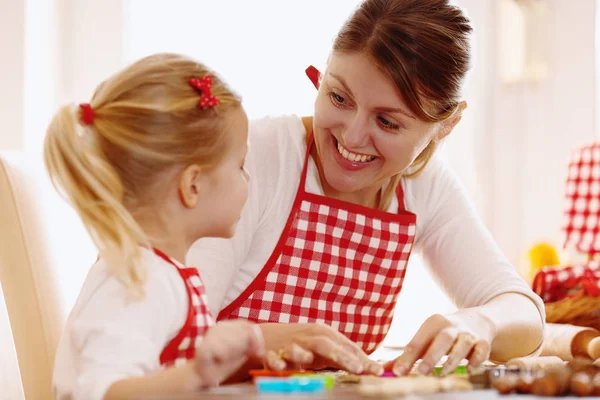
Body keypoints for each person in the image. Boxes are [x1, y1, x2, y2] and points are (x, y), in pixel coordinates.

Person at [189, 0, 545, 378]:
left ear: (447, 125)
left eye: (388, 122)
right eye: (339, 98)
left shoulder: (423, 187)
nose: (353, 136)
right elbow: (174, 335)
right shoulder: (255, 158)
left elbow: (525, 315)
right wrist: (263, 342)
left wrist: (481, 323)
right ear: (323, 74)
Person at [45, 53, 298, 400]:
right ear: (193, 185)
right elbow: (103, 392)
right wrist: (197, 375)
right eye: (240, 166)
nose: (249, 179)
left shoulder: (159, 273)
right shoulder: (139, 279)